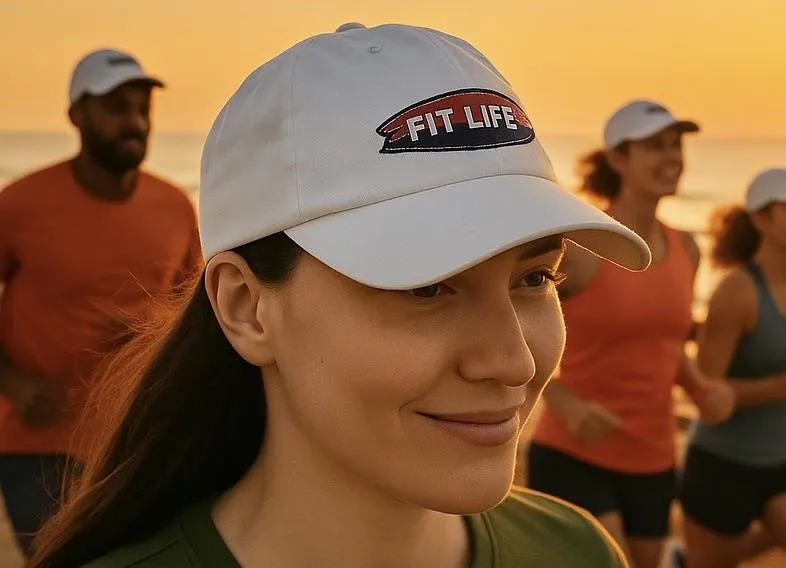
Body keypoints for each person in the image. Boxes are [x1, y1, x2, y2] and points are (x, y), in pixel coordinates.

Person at [28, 22, 654, 568]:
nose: (514, 361)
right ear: (246, 309)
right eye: (426, 285)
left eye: (535, 278)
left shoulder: (575, 552)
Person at [0, 48, 201, 556]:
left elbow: (196, 315)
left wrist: (150, 326)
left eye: (141, 108)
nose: (133, 121)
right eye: (115, 107)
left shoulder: (175, 206)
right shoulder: (19, 205)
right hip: (39, 443)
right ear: (76, 115)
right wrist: (11, 382)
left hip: (141, 436)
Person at [525, 100, 736, 568]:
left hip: (654, 456)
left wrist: (699, 388)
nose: (672, 157)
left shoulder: (688, 247)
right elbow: (515, 331)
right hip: (574, 452)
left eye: (676, 145)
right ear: (618, 159)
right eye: (655, 146)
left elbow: (665, 342)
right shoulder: (582, 246)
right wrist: (562, 400)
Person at [679, 168, 786, 568]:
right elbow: (707, 392)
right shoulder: (737, 291)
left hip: (781, 459)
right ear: (760, 219)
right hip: (724, 464)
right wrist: (775, 389)